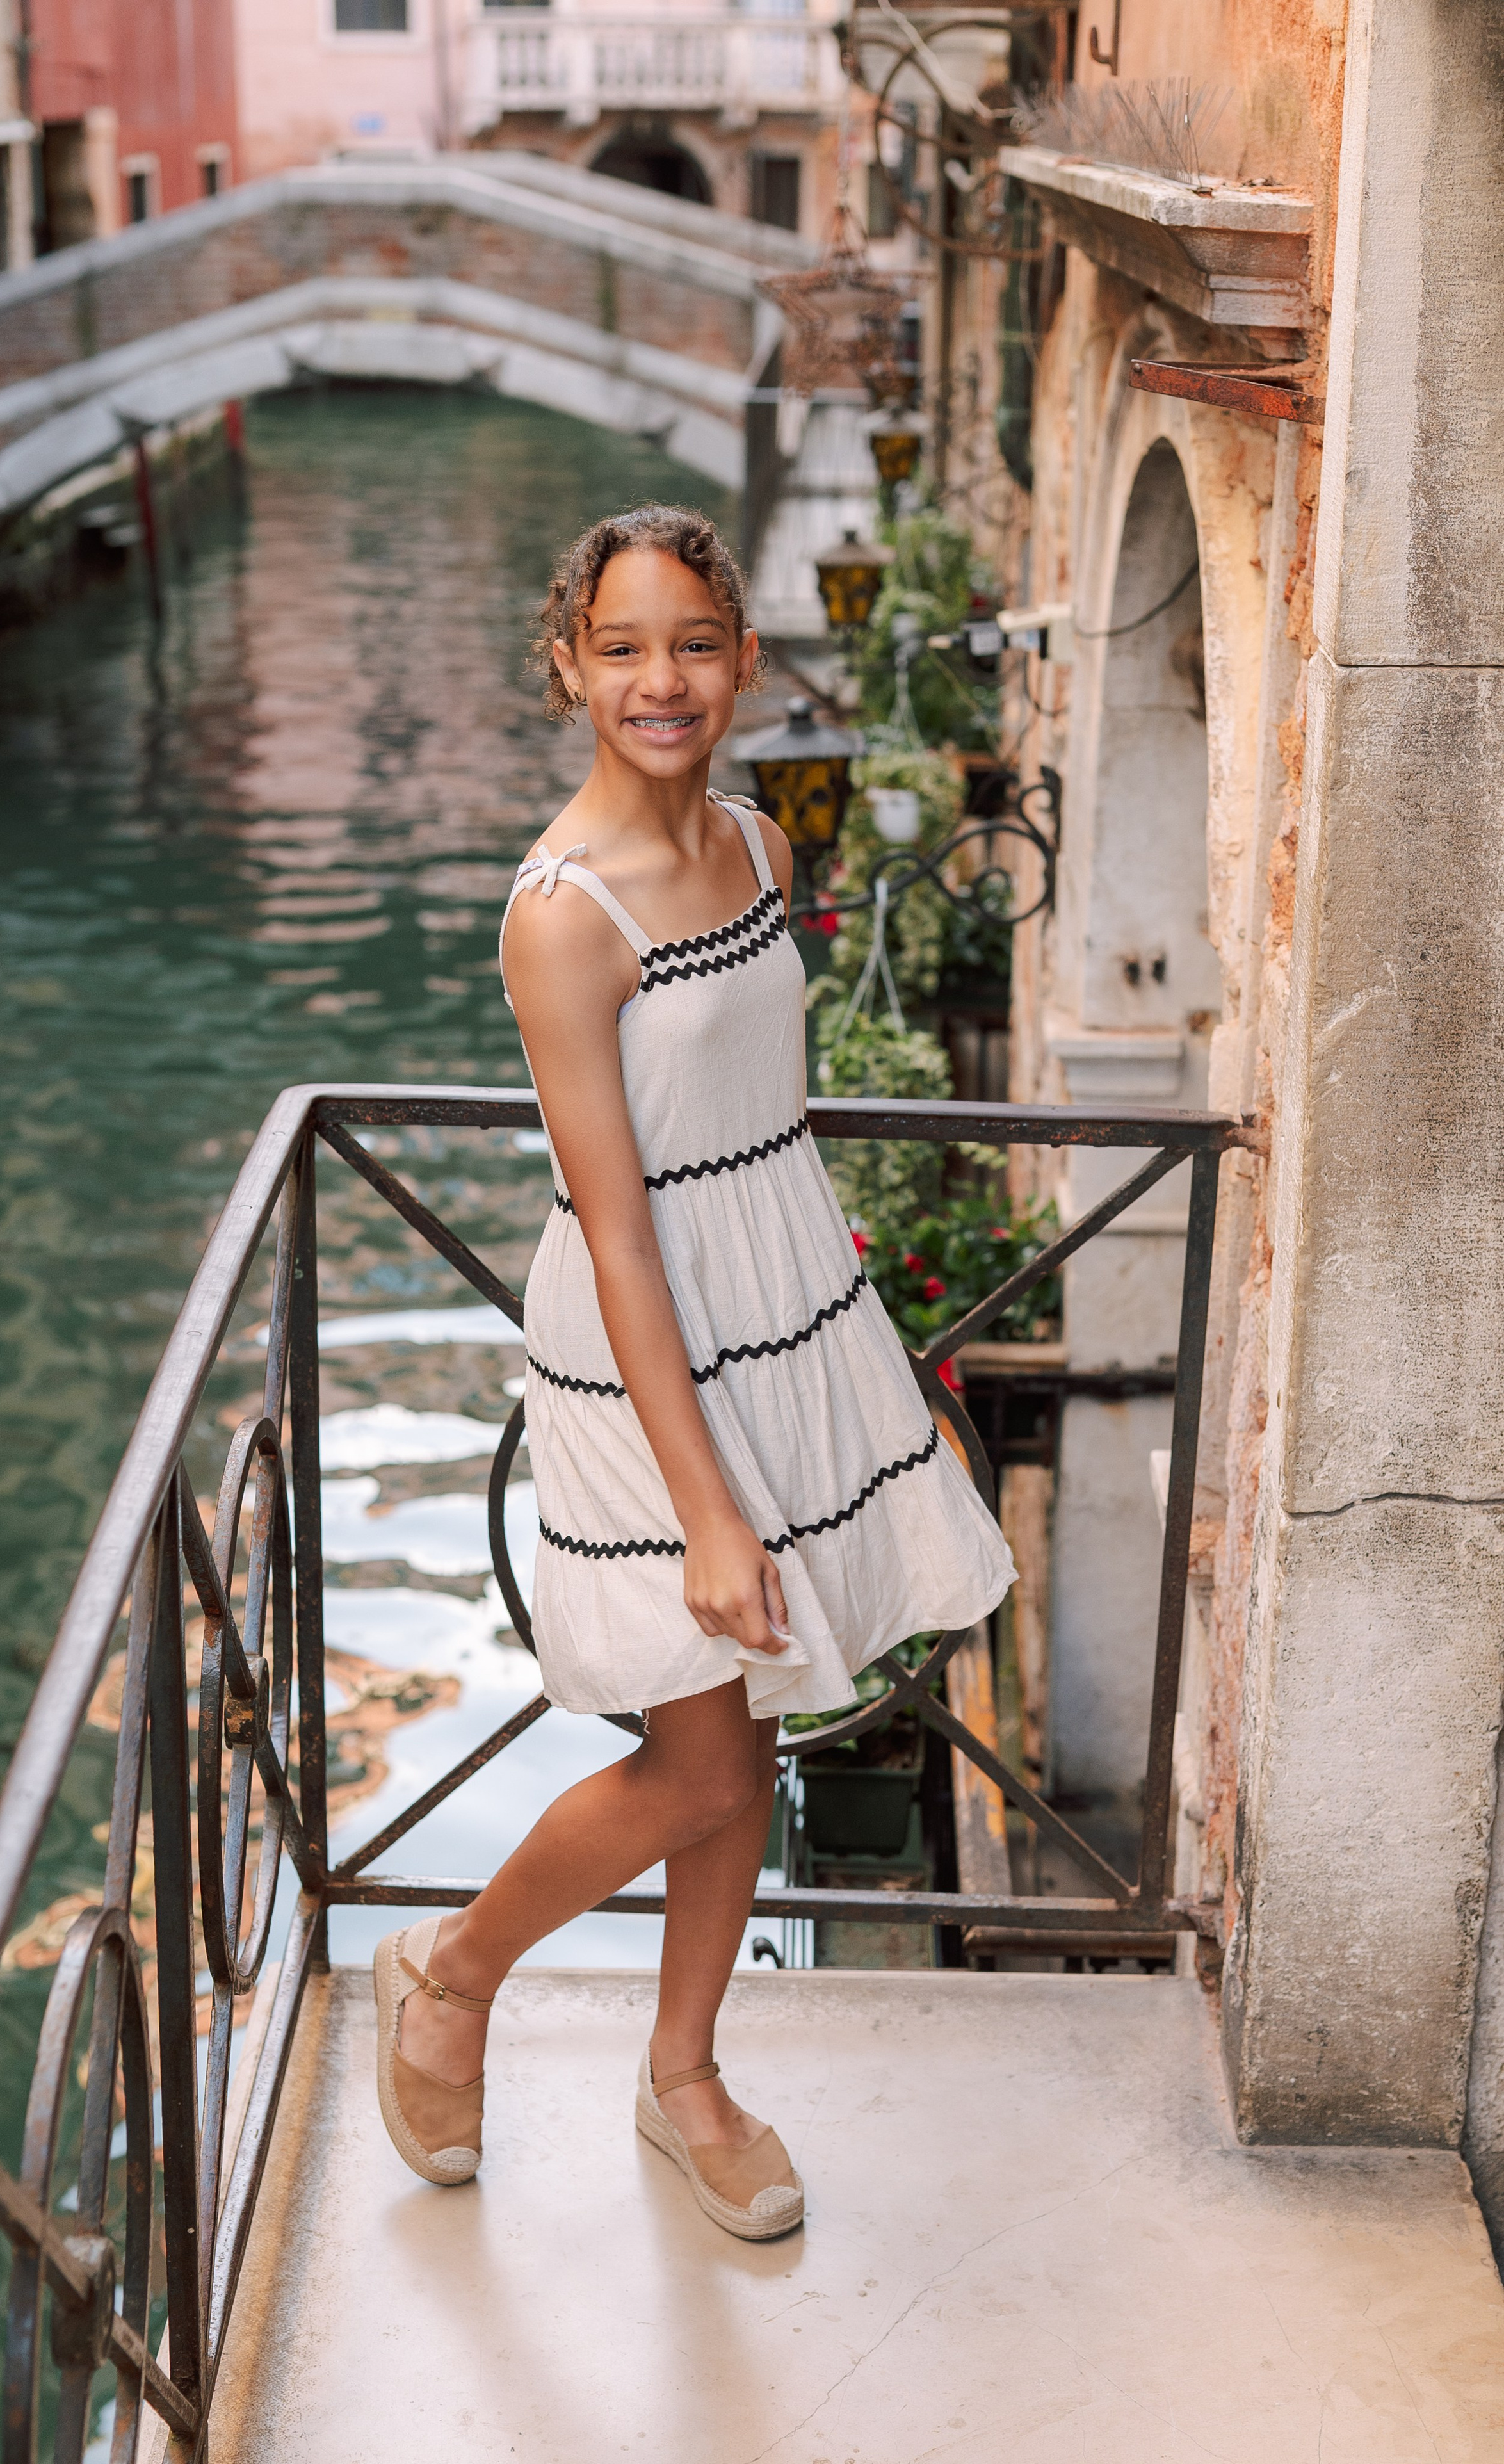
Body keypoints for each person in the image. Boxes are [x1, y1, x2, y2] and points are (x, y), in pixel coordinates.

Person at [373, 505, 1014, 2241]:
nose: (664, 679)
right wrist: (711, 1508)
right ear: (569, 664)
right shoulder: (562, 915)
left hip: (781, 1309)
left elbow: (753, 1126)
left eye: (697, 643)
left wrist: (841, 1356)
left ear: (740, 656)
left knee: (757, 1723)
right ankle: (450, 1970)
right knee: (710, 1764)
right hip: (644, 1363)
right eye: (625, 646)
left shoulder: (746, 839)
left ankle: (685, 2080)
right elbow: (624, 1225)